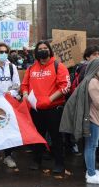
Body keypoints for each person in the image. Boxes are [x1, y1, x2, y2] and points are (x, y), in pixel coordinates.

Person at [60, 59, 99, 185]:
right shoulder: (92, 82)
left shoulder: (98, 81)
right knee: (91, 147)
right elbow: (98, 103)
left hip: (97, 117)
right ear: (96, 69)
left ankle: (92, 170)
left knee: (93, 146)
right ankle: (91, 174)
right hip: (92, 119)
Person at [21, 40, 70, 173]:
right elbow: (24, 85)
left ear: (49, 50)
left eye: (45, 48)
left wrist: (50, 99)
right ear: (36, 52)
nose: (43, 50)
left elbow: (65, 86)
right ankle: (37, 160)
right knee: (37, 136)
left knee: (56, 137)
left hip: (54, 108)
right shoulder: (31, 68)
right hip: (36, 109)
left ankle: (59, 163)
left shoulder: (58, 66)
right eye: (40, 48)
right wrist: (25, 95)